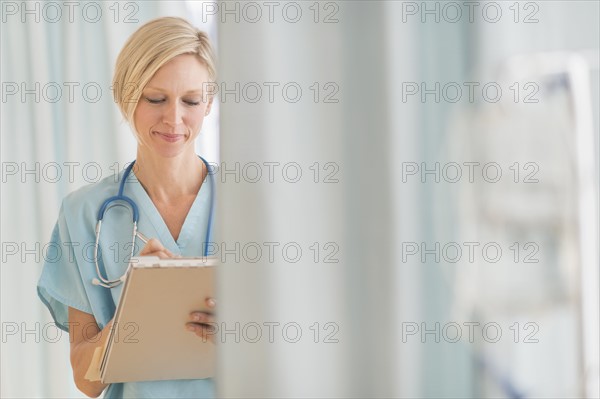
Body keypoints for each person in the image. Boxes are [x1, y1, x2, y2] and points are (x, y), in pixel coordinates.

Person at [37, 17, 217, 398]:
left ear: (210, 103)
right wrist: (137, 310)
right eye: (155, 99)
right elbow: (86, 381)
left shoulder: (252, 205)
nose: (174, 118)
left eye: (190, 100)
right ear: (125, 95)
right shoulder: (84, 213)